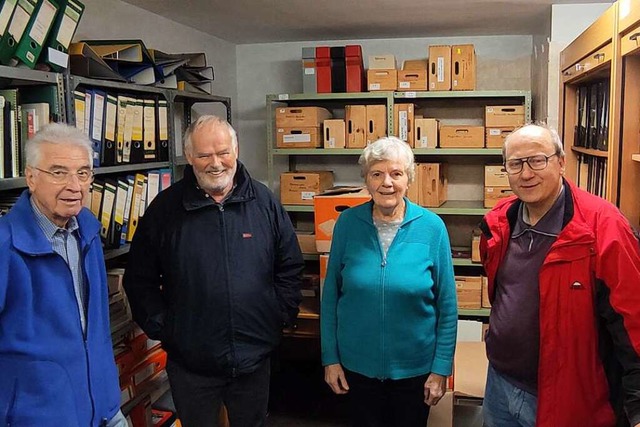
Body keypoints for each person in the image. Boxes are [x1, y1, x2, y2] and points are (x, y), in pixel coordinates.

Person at [123, 115, 304, 427]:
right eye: (204, 155)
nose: (215, 163)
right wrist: (166, 328)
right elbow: (139, 278)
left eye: (223, 152)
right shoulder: (165, 210)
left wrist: (279, 315)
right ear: (190, 157)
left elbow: (289, 265)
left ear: (236, 151)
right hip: (192, 364)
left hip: (253, 358)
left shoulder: (263, 202)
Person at [480, 123, 640, 427]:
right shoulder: (500, 222)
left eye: (538, 160)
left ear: (561, 162)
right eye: (515, 164)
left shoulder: (603, 228)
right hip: (499, 384)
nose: (526, 174)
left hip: (567, 396)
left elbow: (633, 322)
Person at [321, 136, 458, 427]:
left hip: (415, 375)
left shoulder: (433, 228)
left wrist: (441, 369)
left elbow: (447, 306)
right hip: (356, 371)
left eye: (396, 174)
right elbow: (331, 295)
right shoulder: (347, 224)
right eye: (377, 174)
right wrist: (330, 358)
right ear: (366, 180)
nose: (387, 182)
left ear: (408, 178)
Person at [0, 123, 126, 426]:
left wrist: (110, 398)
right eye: (58, 173)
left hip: (106, 409)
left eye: (83, 173)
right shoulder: (5, 244)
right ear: (31, 177)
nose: (74, 185)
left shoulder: (88, 230)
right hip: (39, 418)